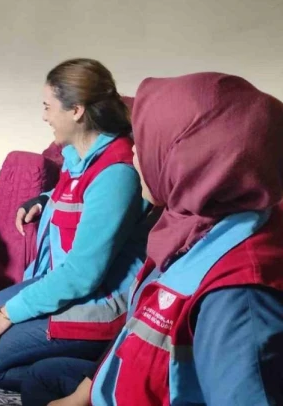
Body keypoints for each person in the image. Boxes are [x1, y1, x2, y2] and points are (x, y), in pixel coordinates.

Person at [39, 73, 283, 406]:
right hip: (135, 379)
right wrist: (82, 395)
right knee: (41, 378)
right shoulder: (190, 226)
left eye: (148, 141)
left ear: (191, 160)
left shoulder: (237, 298)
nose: (133, 151)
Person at [0, 58, 152, 394]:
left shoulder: (116, 174)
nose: (44, 116)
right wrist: (43, 199)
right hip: (68, 283)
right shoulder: (80, 154)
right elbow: (78, 193)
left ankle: (99, 378)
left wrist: (8, 314)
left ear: (76, 111)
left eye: (48, 106)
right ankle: (60, 363)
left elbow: (82, 275)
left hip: (100, 299)